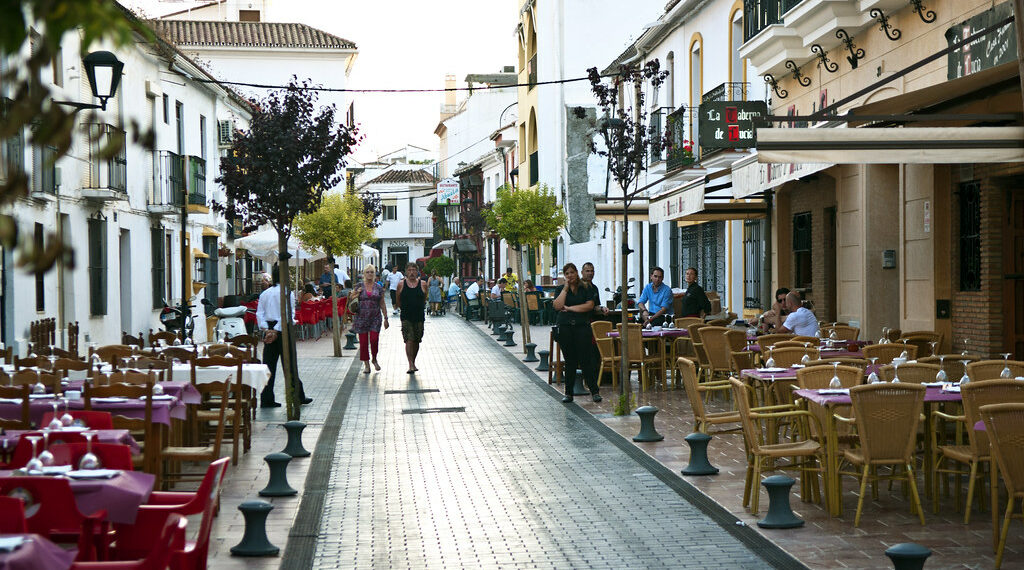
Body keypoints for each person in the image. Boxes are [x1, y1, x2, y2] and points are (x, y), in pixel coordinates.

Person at [256, 267, 310, 408]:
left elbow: (259, 313)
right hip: (283, 329)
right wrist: (275, 330)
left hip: (269, 329)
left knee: (268, 365)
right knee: (290, 363)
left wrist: (267, 329)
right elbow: (287, 314)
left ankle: (266, 399)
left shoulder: (265, 293)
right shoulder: (287, 293)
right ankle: (297, 396)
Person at [553, 262, 600, 403]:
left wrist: (570, 308)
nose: (570, 275)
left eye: (572, 272)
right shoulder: (561, 289)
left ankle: (595, 391)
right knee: (570, 361)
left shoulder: (585, 288)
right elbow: (557, 305)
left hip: (582, 327)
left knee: (586, 361)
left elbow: (589, 306)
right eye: (567, 273)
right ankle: (568, 393)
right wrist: (565, 289)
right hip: (565, 328)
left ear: (577, 273)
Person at [350, 264, 388, 373]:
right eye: (367, 272)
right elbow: (351, 298)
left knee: (374, 339)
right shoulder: (359, 286)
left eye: (372, 272)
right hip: (361, 317)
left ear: (375, 273)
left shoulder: (378, 287)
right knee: (363, 342)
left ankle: (374, 359)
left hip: (375, 317)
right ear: (364, 274)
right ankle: (366, 364)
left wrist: (386, 317)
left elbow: (382, 302)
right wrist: (357, 293)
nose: (370, 274)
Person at [396, 262, 428, 373]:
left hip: (419, 316)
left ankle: (413, 361)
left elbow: (424, 298)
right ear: (405, 272)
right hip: (406, 316)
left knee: (417, 340)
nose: (411, 272)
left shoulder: (423, 284)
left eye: (414, 270)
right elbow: (398, 300)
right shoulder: (401, 284)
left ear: (417, 271)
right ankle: (410, 364)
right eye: (409, 270)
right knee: (409, 339)